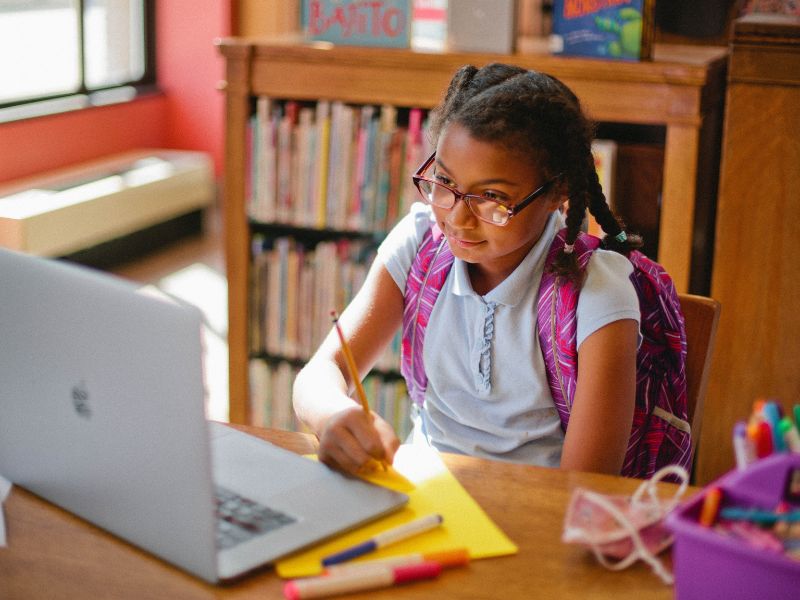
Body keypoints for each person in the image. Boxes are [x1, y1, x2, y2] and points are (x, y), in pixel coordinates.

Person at [292, 63, 641, 477]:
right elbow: (319, 374)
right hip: (424, 495)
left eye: (492, 196)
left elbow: (584, 488)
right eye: (444, 182)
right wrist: (332, 414)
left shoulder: (596, 293)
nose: (457, 218)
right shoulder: (419, 246)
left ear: (558, 192)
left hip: (537, 515)